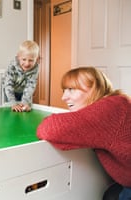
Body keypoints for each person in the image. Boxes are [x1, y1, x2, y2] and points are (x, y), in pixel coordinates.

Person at [36, 67, 131, 200]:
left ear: (95, 88)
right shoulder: (118, 102)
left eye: (71, 89)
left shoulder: (110, 109)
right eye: (64, 90)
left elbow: (51, 128)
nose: (64, 97)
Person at [2, 40, 40, 112]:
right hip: (10, 88)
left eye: (31, 60)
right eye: (24, 59)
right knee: (11, 107)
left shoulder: (35, 68)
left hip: (23, 89)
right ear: (19, 57)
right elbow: (8, 85)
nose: (27, 64)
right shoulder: (12, 65)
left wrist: (25, 102)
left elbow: (30, 86)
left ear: (36, 59)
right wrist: (13, 103)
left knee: (23, 106)